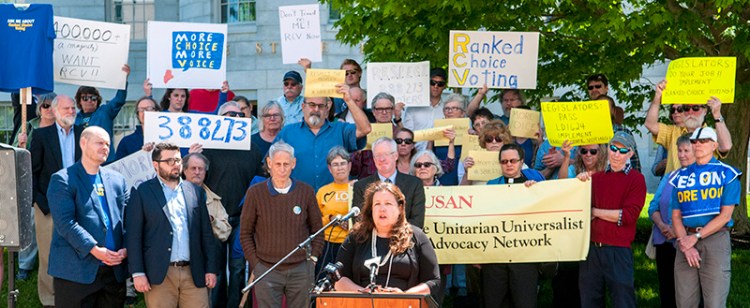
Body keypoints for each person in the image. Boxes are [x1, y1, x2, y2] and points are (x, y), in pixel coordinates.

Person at [126, 142, 220, 308]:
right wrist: (137, 273)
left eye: (177, 160)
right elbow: (134, 237)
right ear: (156, 165)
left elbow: (206, 234)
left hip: (194, 272)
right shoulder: (143, 192)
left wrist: (211, 269)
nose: (175, 165)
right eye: (169, 161)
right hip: (160, 274)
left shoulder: (195, 191)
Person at [46, 126, 129, 307]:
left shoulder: (118, 180)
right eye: (100, 142)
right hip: (76, 273)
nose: (105, 147)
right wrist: (95, 249)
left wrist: (127, 247)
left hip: (113, 273)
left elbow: (129, 219)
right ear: (83, 143)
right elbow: (65, 223)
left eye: (107, 144)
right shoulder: (63, 179)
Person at [240, 141, 324, 308]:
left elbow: (318, 230)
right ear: (269, 164)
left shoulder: (305, 191)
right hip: (267, 269)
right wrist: (257, 265)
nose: (282, 168)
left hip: (301, 269)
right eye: (277, 164)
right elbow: (245, 233)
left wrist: (312, 260)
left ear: (293, 164)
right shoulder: (255, 193)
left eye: (286, 164)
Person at [201, 102, 266, 308]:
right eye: (230, 114)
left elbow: (260, 180)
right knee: (217, 269)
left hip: (243, 217)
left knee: (238, 268)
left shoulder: (253, 148)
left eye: (240, 114)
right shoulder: (207, 147)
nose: (235, 117)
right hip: (215, 217)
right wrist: (194, 153)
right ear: (219, 118)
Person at [670, 127, 741, 308]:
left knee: (714, 303)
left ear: (715, 145)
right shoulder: (679, 176)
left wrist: (696, 238)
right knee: (684, 302)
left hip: (715, 240)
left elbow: (725, 216)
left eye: (703, 141)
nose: (697, 144)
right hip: (685, 240)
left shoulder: (727, 174)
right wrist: (685, 244)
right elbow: (676, 216)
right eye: (694, 141)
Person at [576, 131, 647, 307]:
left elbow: (627, 216)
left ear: (630, 153)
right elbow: (580, 210)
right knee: (589, 301)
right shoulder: (596, 178)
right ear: (607, 149)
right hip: (591, 250)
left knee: (623, 301)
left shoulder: (636, 179)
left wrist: (596, 212)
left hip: (619, 250)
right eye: (613, 148)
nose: (616, 154)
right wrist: (578, 184)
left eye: (622, 151)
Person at [335, 182, 440, 298]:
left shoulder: (417, 237)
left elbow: (433, 280)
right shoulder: (356, 237)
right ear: (371, 209)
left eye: (388, 204)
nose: (382, 209)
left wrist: (404, 296)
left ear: (400, 208)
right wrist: (363, 293)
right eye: (377, 204)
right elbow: (339, 279)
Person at [30, 94, 83, 307]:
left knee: (80, 250)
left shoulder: (84, 135)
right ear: (54, 110)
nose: (71, 112)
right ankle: (49, 299)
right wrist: (40, 202)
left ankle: (76, 295)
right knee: (48, 254)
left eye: (73, 108)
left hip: (80, 204)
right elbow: (32, 172)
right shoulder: (42, 136)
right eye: (67, 108)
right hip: (48, 206)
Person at [481, 144, 545, 308]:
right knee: (494, 303)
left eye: (513, 161)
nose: (508, 164)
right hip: (496, 257)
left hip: (524, 256)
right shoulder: (490, 185)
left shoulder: (534, 184)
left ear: (521, 161)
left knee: (524, 302)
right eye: (504, 161)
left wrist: (536, 193)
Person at [276, 85, 371, 191]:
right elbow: (272, 165)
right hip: (298, 199)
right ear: (303, 107)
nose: (316, 109)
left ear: (327, 109)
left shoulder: (340, 129)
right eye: (312, 105)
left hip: (334, 200)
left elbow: (365, 129)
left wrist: (349, 100)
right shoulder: (287, 132)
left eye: (321, 106)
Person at [645, 80, 732, 174]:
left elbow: (726, 146)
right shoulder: (672, 131)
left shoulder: (713, 134)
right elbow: (650, 124)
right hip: (676, 187)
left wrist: (717, 114)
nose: (690, 112)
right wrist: (657, 96)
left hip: (702, 187)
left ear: (705, 110)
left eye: (695, 108)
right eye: (686, 108)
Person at [14, 93, 56, 282]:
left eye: (52, 105)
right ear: (39, 109)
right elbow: (16, 154)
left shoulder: (63, 128)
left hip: (54, 183)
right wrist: (21, 144)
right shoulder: (29, 126)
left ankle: (54, 266)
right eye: (45, 106)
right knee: (30, 224)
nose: (48, 109)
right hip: (33, 184)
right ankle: (25, 265)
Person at [648, 134, 694, 308]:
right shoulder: (669, 177)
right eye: (679, 150)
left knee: (686, 293)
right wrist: (661, 226)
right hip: (664, 241)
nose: (681, 155)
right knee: (667, 291)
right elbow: (653, 206)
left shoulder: (702, 179)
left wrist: (678, 230)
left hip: (687, 243)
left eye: (686, 151)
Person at [353, 137, 426, 228]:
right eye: (377, 155)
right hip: (373, 240)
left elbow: (417, 221)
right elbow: (359, 221)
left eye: (386, 154)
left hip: (404, 240)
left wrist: (393, 235)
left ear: (395, 156)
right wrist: (381, 236)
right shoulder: (361, 186)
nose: (381, 159)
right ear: (374, 159)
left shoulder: (414, 184)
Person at [315, 147, 354, 277]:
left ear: (349, 165)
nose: (340, 168)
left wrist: (352, 223)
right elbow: (314, 220)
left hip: (352, 243)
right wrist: (331, 219)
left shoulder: (358, 187)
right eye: (335, 164)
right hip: (328, 245)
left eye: (343, 163)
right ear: (330, 169)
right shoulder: (323, 191)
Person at [350, 92, 403, 179]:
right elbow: (353, 170)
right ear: (374, 112)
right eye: (380, 109)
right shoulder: (365, 132)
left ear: (393, 110)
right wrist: (358, 152)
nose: (384, 112)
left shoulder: (399, 134)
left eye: (388, 108)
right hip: (368, 181)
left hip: (394, 181)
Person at [183, 153, 232, 243]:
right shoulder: (173, 194)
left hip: (204, 251)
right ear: (184, 170)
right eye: (193, 168)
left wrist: (212, 221)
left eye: (200, 169)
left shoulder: (214, 200)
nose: (197, 172)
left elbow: (225, 232)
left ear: (205, 172)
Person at [402, 68, 448, 151]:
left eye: (440, 84)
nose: (436, 86)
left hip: (440, 156)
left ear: (444, 86)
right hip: (415, 154)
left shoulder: (448, 109)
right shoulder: (414, 107)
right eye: (432, 83)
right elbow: (407, 133)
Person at [459, 120, 511, 185]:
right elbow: (462, 189)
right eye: (489, 139)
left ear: (505, 140)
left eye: (498, 139)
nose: (494, 142)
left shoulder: (514, 159)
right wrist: (467, 172)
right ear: (484, 141)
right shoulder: (473, 159)